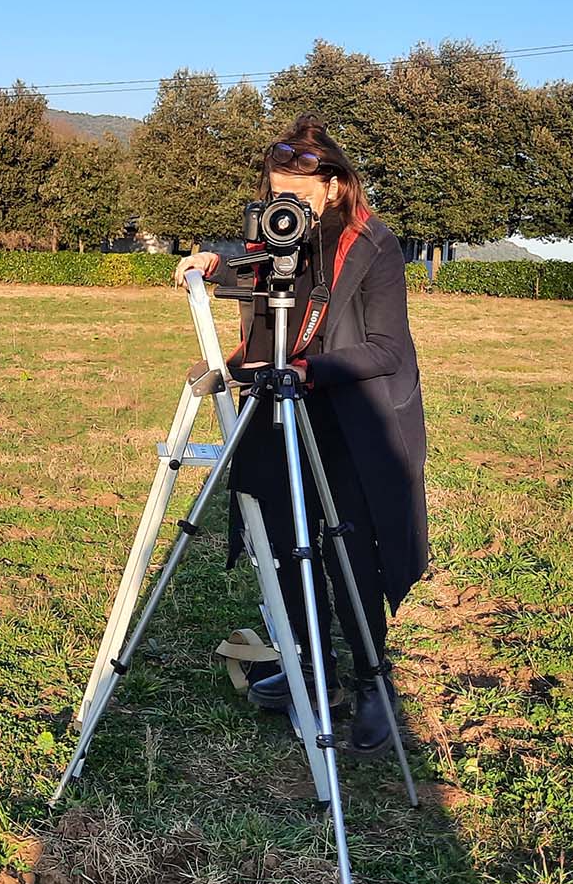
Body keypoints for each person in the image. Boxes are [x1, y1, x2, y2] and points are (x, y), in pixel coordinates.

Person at [172, 114, 429, 756]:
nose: (286, 202)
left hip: (349, 417)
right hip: (276, 405)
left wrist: (306, 370)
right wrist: (212, 262)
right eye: (276, 187)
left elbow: (387, 350)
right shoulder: (273, 235)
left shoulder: (372, 243)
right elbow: (254, 284)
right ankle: (313, 674)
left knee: (347, 555)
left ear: (337, 187)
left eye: (300, 192)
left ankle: (374, 686)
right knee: (285, 546)